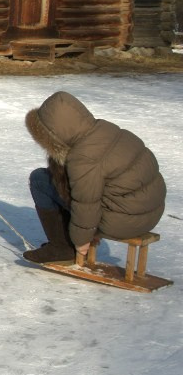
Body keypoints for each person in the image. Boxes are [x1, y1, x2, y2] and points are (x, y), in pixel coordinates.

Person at [22, 90, 166, 263]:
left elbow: (86, 204)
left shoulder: (83, 159)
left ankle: (61, 248)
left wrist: (82, 240)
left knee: (40, 180)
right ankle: (67, 239)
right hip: (150, 214)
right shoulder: (106, 130)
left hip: (123, 221)